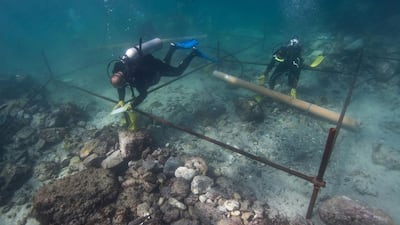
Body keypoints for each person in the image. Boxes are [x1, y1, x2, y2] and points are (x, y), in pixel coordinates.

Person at [110, 38, 205, 130]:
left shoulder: (134, 77)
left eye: (123, 85)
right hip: (151, 65)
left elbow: (143, 94)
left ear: (123, 79)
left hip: (155, 68)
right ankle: (173, 47)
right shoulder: (118, 67)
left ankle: (193, 53)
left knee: (177, 72)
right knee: (164, 63)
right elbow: (120, 85)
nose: (122, 87)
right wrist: (121, 100)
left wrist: (132, 105)